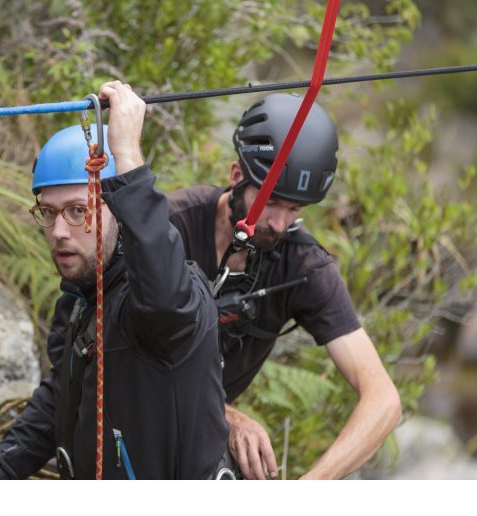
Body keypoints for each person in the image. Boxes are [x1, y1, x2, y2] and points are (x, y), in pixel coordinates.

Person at [0, 81, 229, 480]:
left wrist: (127, 156)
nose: (58, 230)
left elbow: (165, 302)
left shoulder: (165, 304)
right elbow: (62, 399)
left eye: (78, 211)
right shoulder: (78, 301)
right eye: (49, 213)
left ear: (119, 214)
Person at [168, 93, 402, 480]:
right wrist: (227, 416)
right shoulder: (171, 226)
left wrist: (310, 487)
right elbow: (122, 356)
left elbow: (384, 399)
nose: (279, 223)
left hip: (196, 441)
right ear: (235, 175)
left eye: (294, 210)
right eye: (271, 203)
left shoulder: (301, 262)